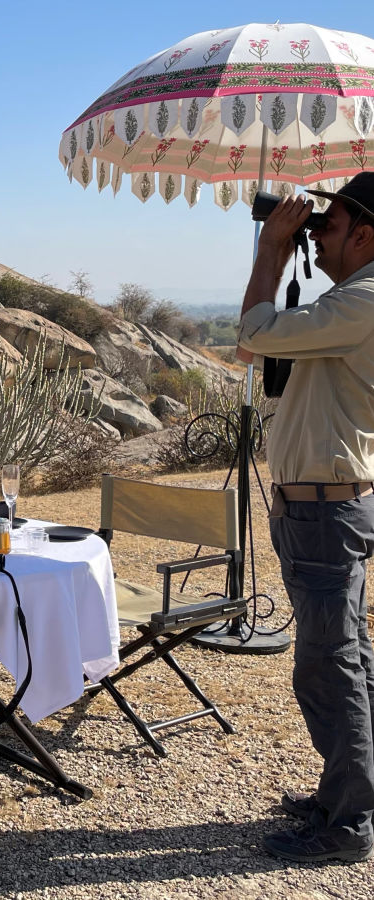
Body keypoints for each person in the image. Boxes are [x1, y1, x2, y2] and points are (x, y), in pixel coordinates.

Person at [237, 172, 374, 864]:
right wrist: (286, 257)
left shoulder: (365, 300)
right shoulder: (346, 302)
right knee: (346, 659)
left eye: (328, 222)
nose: (315, 232)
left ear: (365, 234)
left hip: (327, 510)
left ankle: (347, 826)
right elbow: (258, 343)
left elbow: (254, 332)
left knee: (328, 667)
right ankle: (350, 795)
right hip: (321, 507)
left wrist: (269, 249)